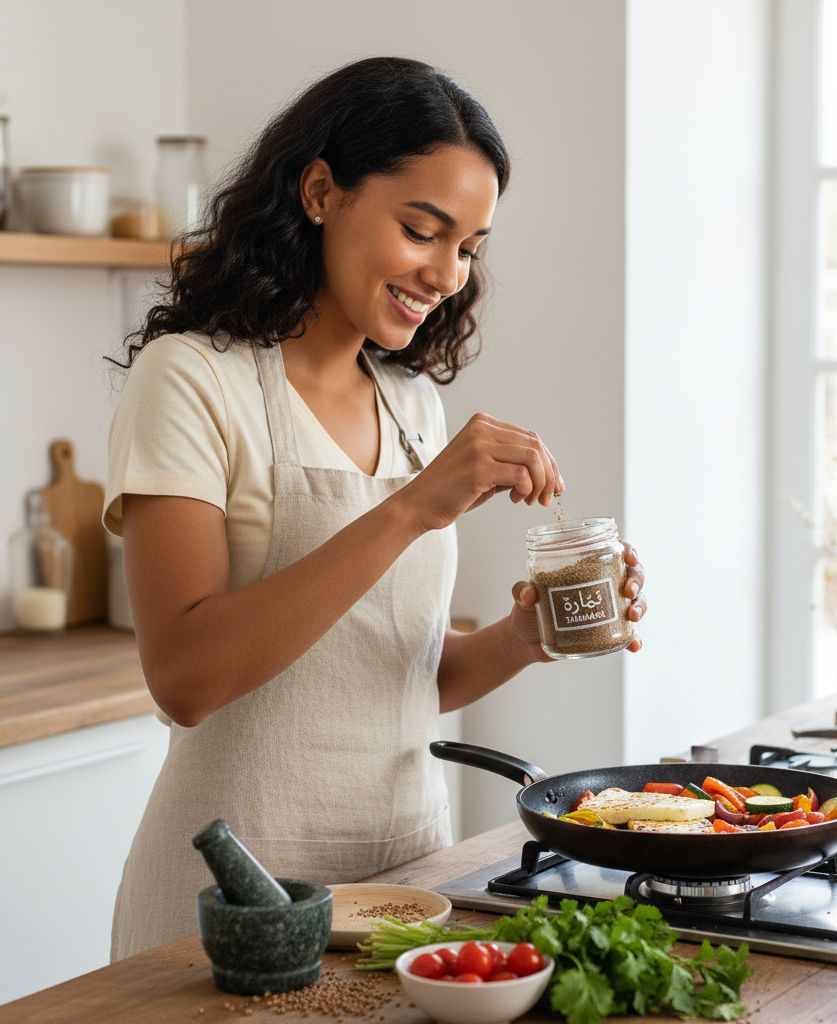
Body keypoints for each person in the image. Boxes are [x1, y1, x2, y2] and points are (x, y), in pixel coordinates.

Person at [103, 56, 647, 961]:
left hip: (407, 886)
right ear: (321, 191)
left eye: (469, 247)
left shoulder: (409, 404)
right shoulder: (194, 380)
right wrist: (413, 507)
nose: (446, 273)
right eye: (423, 230)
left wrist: (527, 636)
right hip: (236, 902)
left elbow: (396, 681)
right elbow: (185, 679)